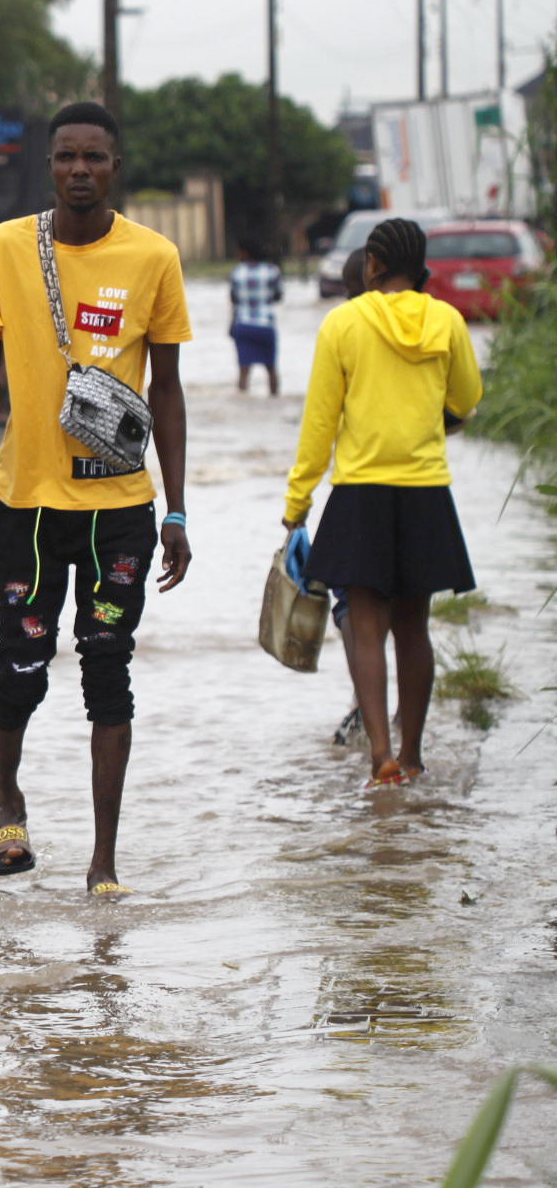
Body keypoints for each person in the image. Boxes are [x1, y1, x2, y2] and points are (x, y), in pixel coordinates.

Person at [0, 100, 192, 895]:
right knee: (21, 666)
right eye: (64, 158)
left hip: (121, 511)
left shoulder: (154, 258)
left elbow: (171, 394)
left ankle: (104, 862)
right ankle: (8, 804)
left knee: (108, 670)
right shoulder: (3, 250)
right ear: (48, 165)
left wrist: (177, 510)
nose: (78, 170)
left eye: (93, 157)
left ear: (116, 167)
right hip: (27, 505)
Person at [282, 218, 483, 787]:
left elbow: (319, 424)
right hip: (424, 492)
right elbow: (467, 398)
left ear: (371, 264)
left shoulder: (343, 323)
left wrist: (297, 499)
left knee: (365, 628)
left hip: (360, 494)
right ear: (419, 266)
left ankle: (381, 757)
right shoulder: (446, 320)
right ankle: (415, 756)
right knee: (413, 628)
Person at [230, 239, 283, 395]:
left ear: (244, 252)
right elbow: (279, 296)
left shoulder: (237, 272)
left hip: (243, 325)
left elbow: (233, 299)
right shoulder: (272, 271)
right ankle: (274, 400)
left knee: (243, 371)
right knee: (271, 368)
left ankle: (242, 406)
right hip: (265, 325)